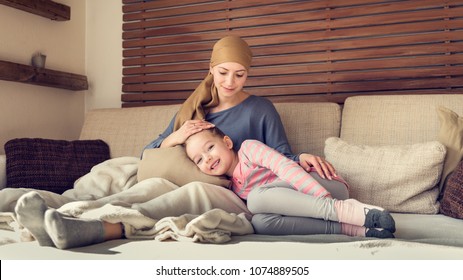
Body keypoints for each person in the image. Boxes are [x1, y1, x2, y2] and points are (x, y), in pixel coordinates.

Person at [10, 35, 349, 249]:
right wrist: (178, 135)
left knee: (183, 194)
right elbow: (150, 152)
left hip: (229, 188)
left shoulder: (259, 109)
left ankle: (85, 225)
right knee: (125, 176)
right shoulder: (195, 109)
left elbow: (278, 158)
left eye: (240, 74)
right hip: (172, 174)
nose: (230, 81)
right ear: (211, 69)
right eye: (223, 72)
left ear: (249, 73)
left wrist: (301, 157)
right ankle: (53, 206)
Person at [183, 127, 396, 238]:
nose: (207, 158)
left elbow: (286, 167)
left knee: (256, 199)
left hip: (323, 186)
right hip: (310, 210)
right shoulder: (234, 187)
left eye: (209, 148)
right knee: (260, 223)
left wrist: (324, 199)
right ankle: (356, 230)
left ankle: (353, 212)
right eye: (199, 159)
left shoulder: (249, 149)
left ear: (227, 142)